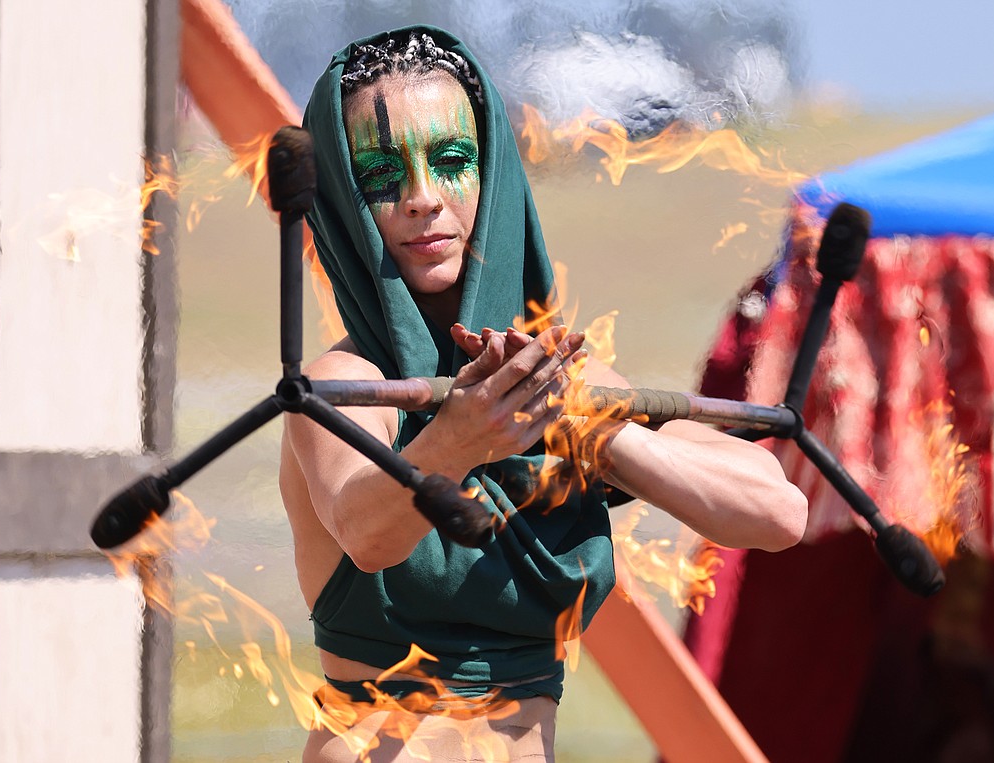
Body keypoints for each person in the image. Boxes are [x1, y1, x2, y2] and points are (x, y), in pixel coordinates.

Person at [280, 25, 808, 762]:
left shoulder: (561, 386)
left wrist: (590, 430)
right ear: (344, 202)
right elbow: (368, 532)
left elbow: (777, 510)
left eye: (453, 160)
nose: (422, 199)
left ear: (492, 178)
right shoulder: (345, 385)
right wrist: (462, 437)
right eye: (381, 177)